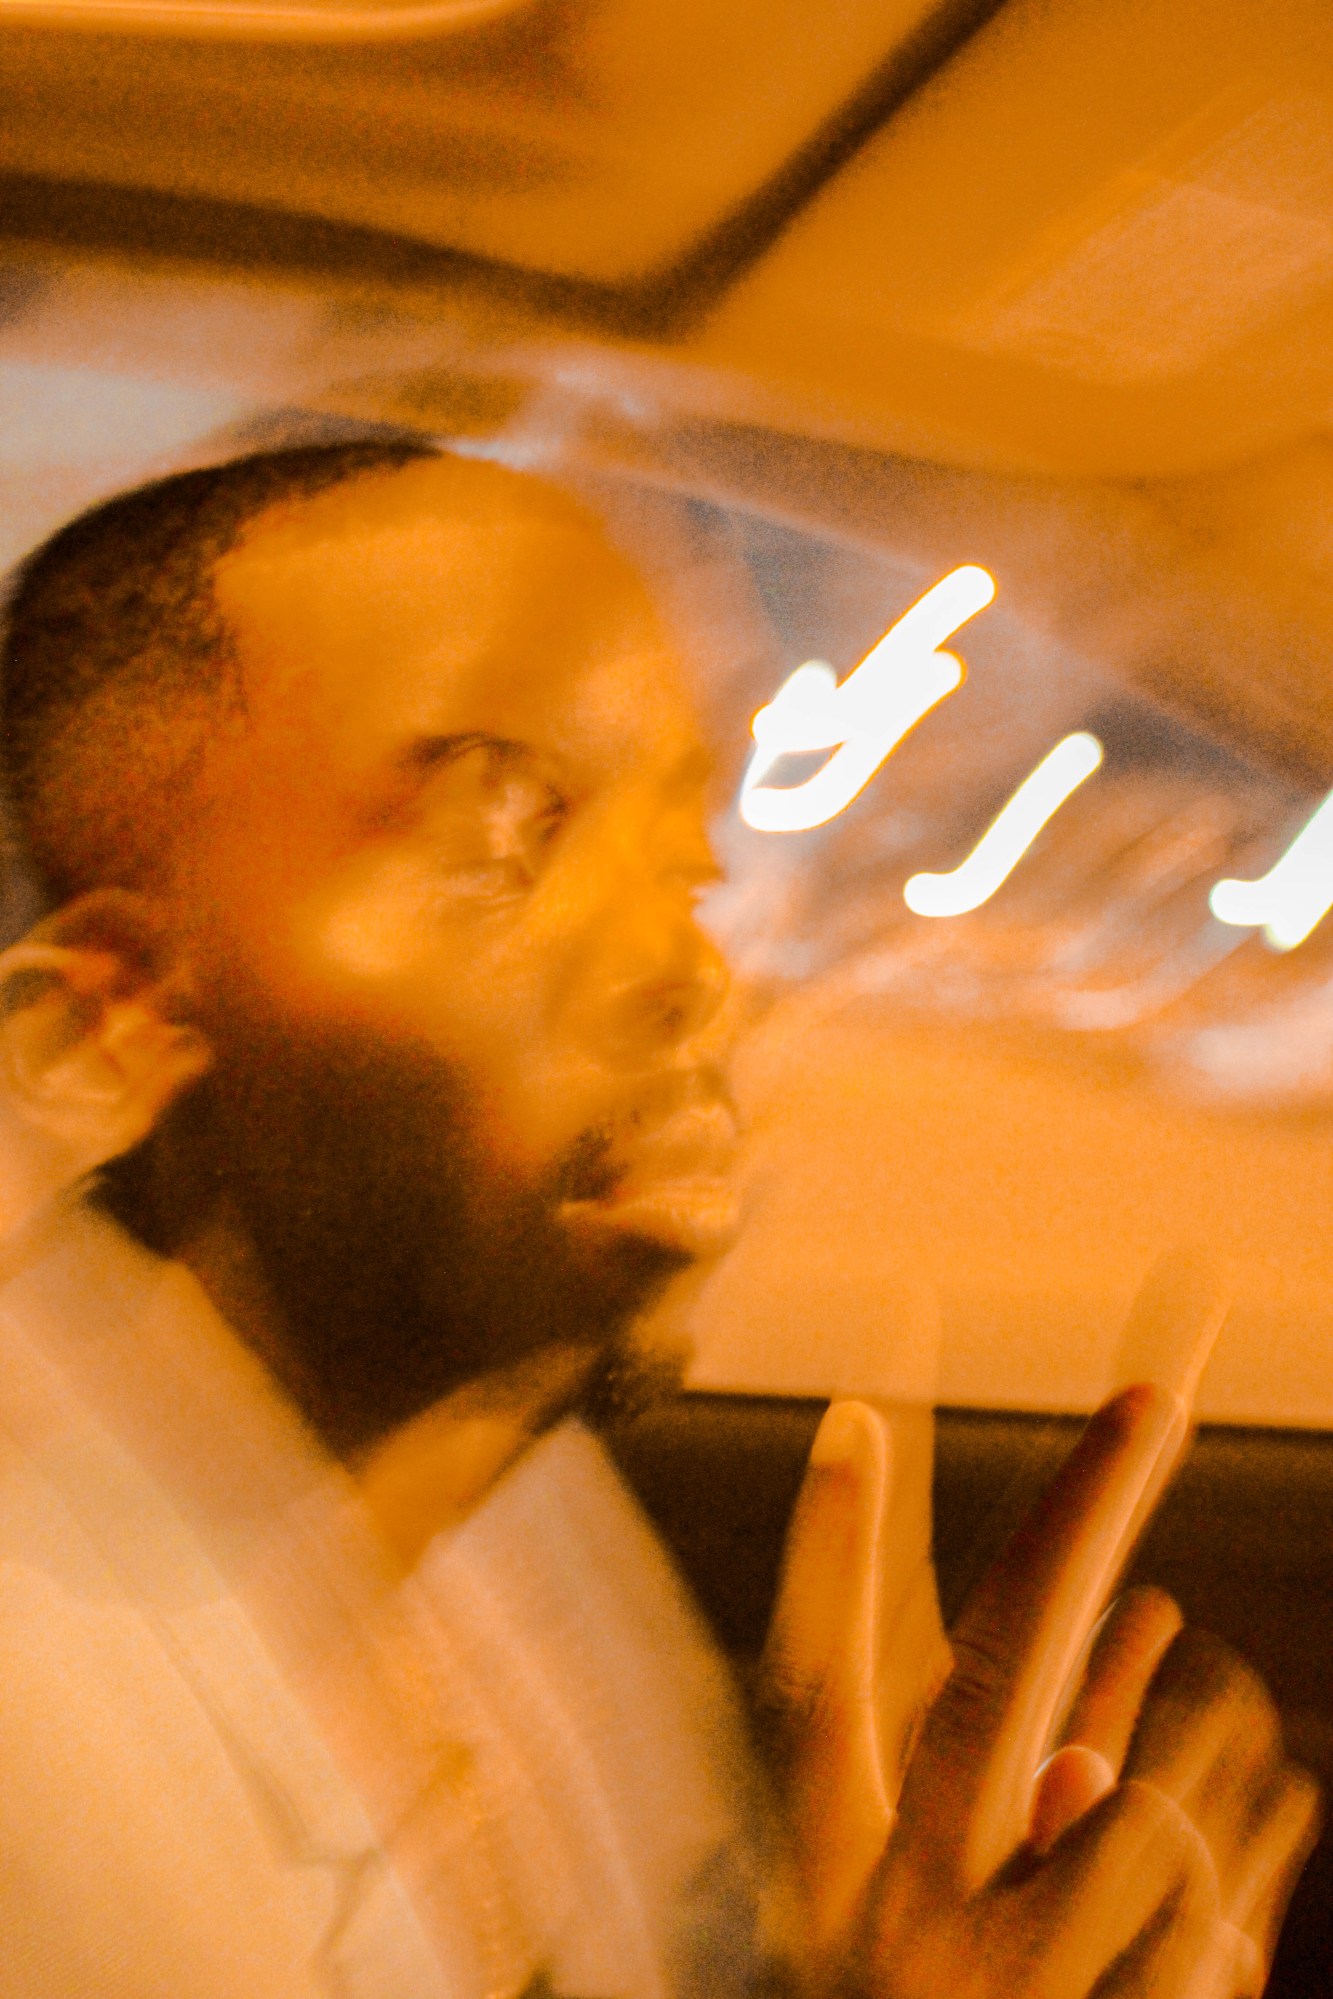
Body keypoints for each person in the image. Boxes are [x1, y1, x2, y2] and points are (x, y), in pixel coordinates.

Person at [0, 440, 1315, 1999]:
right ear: (106, 1032)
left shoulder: (513, 1541)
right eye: (502, 838)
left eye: (679, 860)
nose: (691, 975)